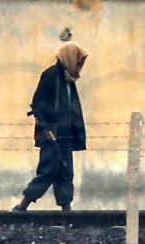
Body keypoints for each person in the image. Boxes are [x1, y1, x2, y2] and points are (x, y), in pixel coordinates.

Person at [12, 42, 88, 212]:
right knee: (48, 170)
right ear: (69, 59)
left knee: (65, 173)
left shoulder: (69, 79)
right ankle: (22, 206)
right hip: (52, 134)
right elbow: (38, 103)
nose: (80, 66)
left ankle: (66, 212)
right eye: (78, 61)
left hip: (66, 136)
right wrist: (46, 127)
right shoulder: (52, 75)